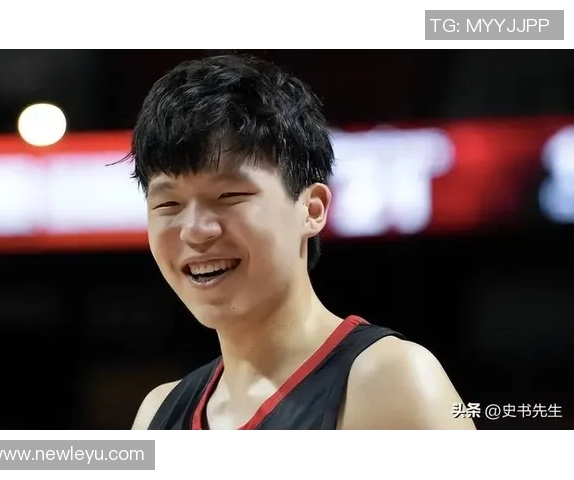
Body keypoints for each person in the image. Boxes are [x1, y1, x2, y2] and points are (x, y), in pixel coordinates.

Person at [128, 54, 475, 430]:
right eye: (168, 204)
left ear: (312, 209)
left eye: (229, 196)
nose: (195, 230)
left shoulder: (390, 382)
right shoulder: (156, 414)